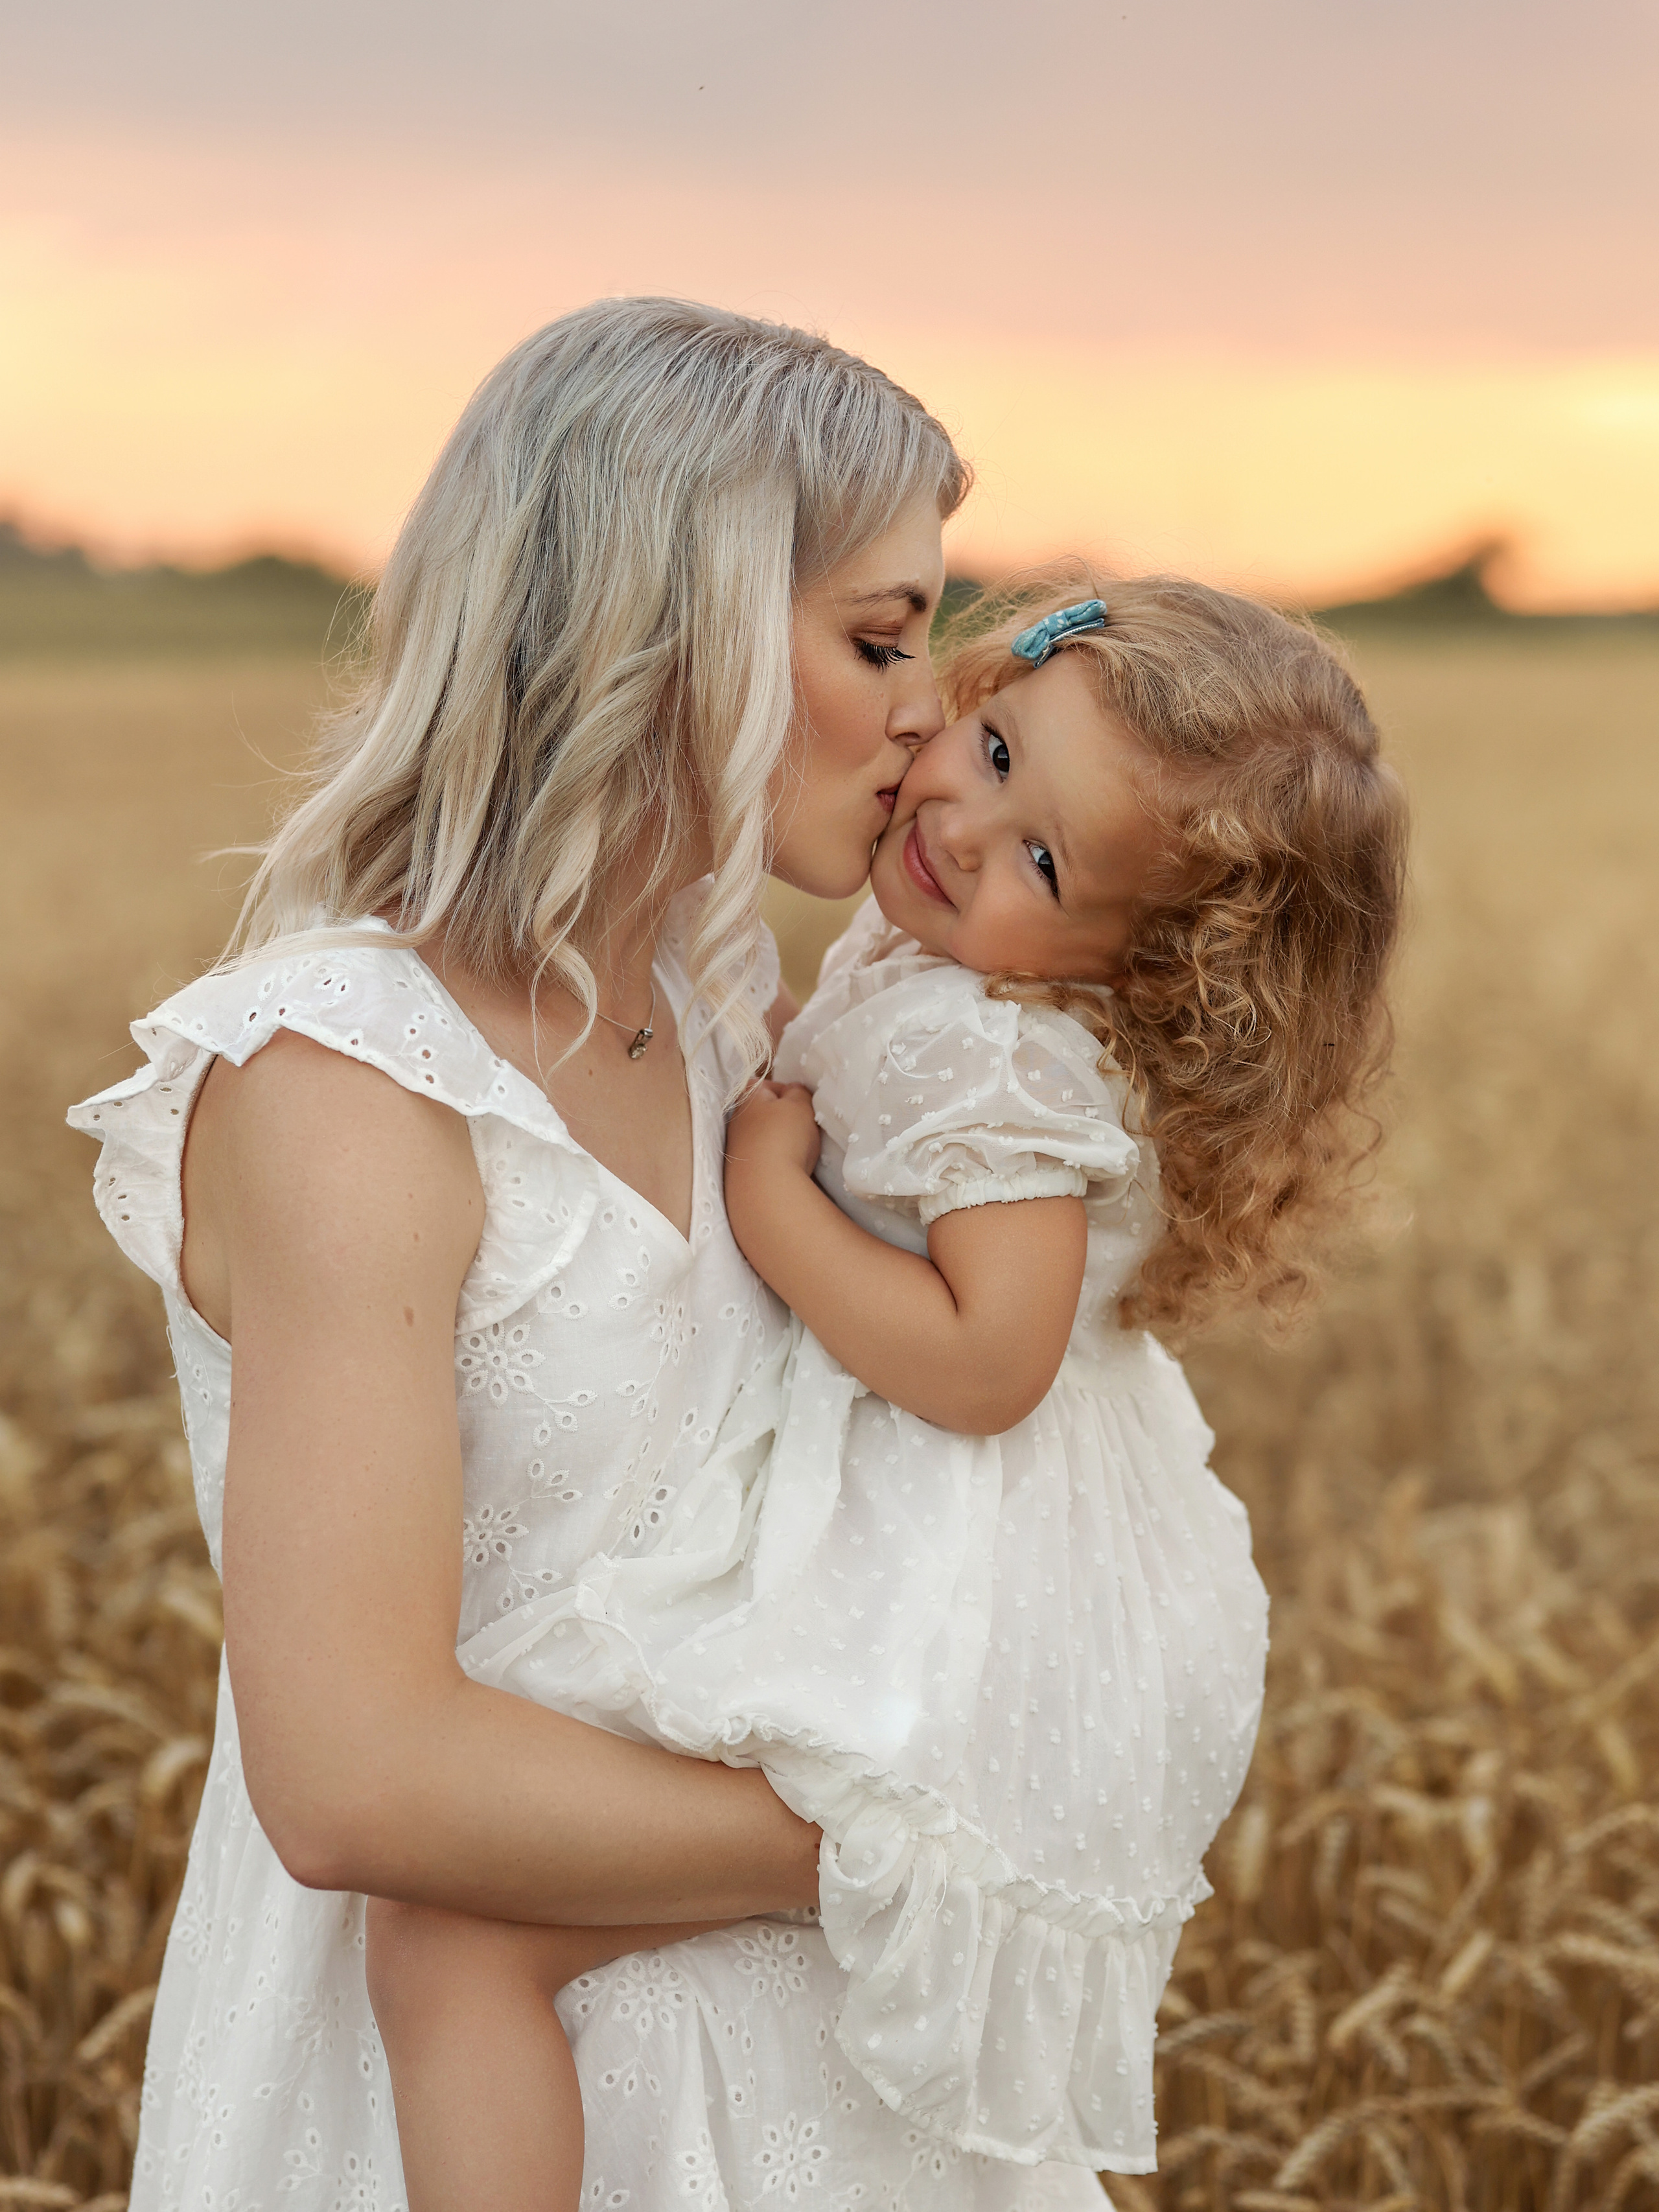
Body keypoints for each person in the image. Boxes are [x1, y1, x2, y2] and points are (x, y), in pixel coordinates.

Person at [66, 295, 1086, 2212]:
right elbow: (356, 1771)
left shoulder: (716, 1023)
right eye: (876, 639)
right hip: (441, 2097)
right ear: (673, 618)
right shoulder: (346, 1081)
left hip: (816, 2084)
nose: (927, 706)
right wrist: (903, 1834)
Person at [364, 574, 1410, 2196]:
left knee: (456, 1941)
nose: (966, 834)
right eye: (992, 753)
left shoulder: (988, 1048)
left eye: (1045, 864)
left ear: (1139, 972)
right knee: (468, 1928)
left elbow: (989, 1362)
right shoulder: (947, 975)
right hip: (968, 1567)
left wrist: (769, 1197)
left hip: (959, 1597)